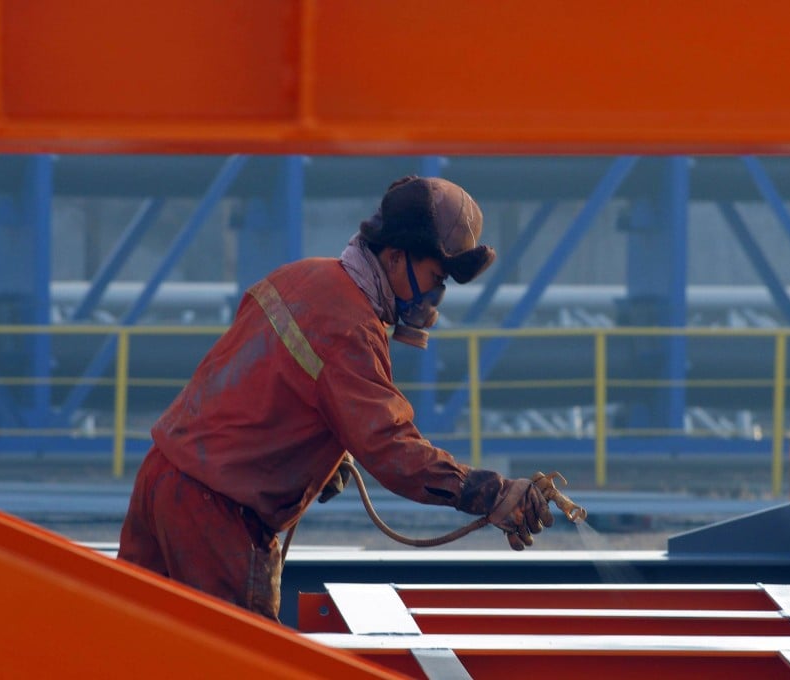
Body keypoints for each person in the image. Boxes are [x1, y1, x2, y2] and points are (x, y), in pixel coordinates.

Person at [118, 176, 554, 621]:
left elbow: (257, 377)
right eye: (434, 278)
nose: (434, 298)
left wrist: (315, 441)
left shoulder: (301, 275)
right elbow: (391, 447)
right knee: (242, 660)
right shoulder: (351, 326)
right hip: (217, 515)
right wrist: (488, 493)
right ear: (396, 255)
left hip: (162, 478)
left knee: (135, 648)